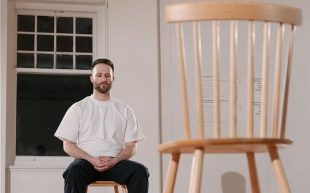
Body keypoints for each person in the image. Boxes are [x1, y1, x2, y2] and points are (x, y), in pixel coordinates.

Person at [54, 58, 149, 193]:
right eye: (99, 75)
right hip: (87, 164)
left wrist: (115, 161)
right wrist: (91, 159)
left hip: (116, 163)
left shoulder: (125, 110)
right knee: (73, 171)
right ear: (92, 78)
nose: (103, 79)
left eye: (107, 75)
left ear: (113, 78)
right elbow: (67, 145)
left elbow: (131, 146)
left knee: (140, 171)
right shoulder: (78, 108)